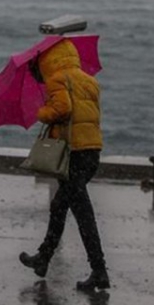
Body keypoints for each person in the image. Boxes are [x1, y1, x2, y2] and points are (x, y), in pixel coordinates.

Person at [19, 38, 109, 291]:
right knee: (60, 205)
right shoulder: (89, 80)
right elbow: (87, 114)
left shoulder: (57, 79)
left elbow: (62, 108)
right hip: (91, 151)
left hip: (73, 154)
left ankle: (99, 271)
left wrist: (42, 113)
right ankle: (43, 258)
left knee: (83, 214)